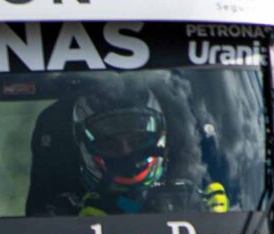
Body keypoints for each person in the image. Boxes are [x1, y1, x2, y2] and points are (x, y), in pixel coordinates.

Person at [26, 85, 229, 217]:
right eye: (109, 143)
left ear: (160, 135)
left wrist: (221, 224)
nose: (126, 151)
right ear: (84, 145)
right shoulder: (59, 212)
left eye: (137, 139)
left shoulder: (192, 194)